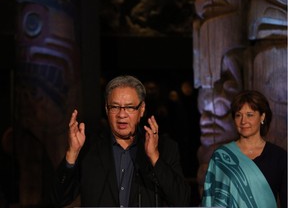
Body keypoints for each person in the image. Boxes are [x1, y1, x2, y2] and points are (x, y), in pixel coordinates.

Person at [50, 75, 191, 207]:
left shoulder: (165, 148)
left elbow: (182, 201)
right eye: (115, 107)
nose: (121, 114)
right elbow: (57, 199)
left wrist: (154, 158)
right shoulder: (88, 148)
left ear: (141, 110)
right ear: (106, 109)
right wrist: (72, 153)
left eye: (129, 107)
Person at [201, 90, 287, 208]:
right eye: (238, 115)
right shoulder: (221, 156)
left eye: (250, 115)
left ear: (262, 116)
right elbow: (210, 200)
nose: (243, 121)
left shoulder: (279, 156)